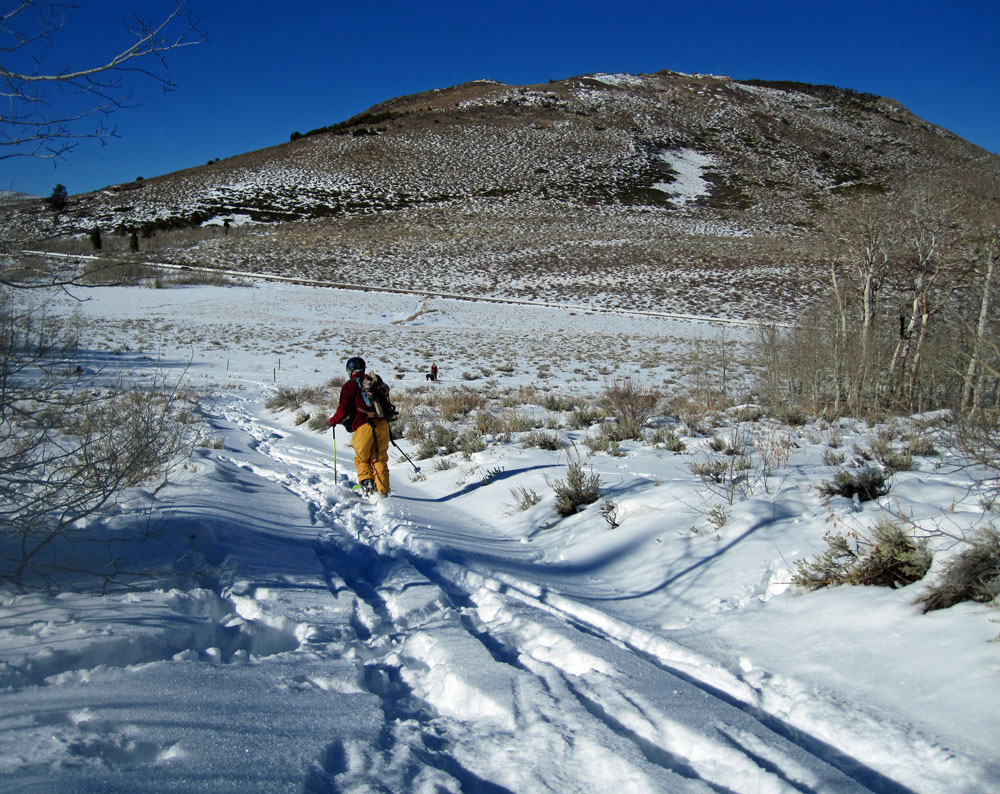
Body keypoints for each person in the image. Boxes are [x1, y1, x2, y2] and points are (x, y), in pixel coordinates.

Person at [328, 356, 390, 497]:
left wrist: (333, 421)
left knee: (362, 458)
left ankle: (368, 484)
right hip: (383, 424)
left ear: (349, 370)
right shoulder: (374, 382)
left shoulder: (349, 386)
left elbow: (343, 410)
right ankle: (383, 492)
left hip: (364, 426)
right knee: (379, 459)